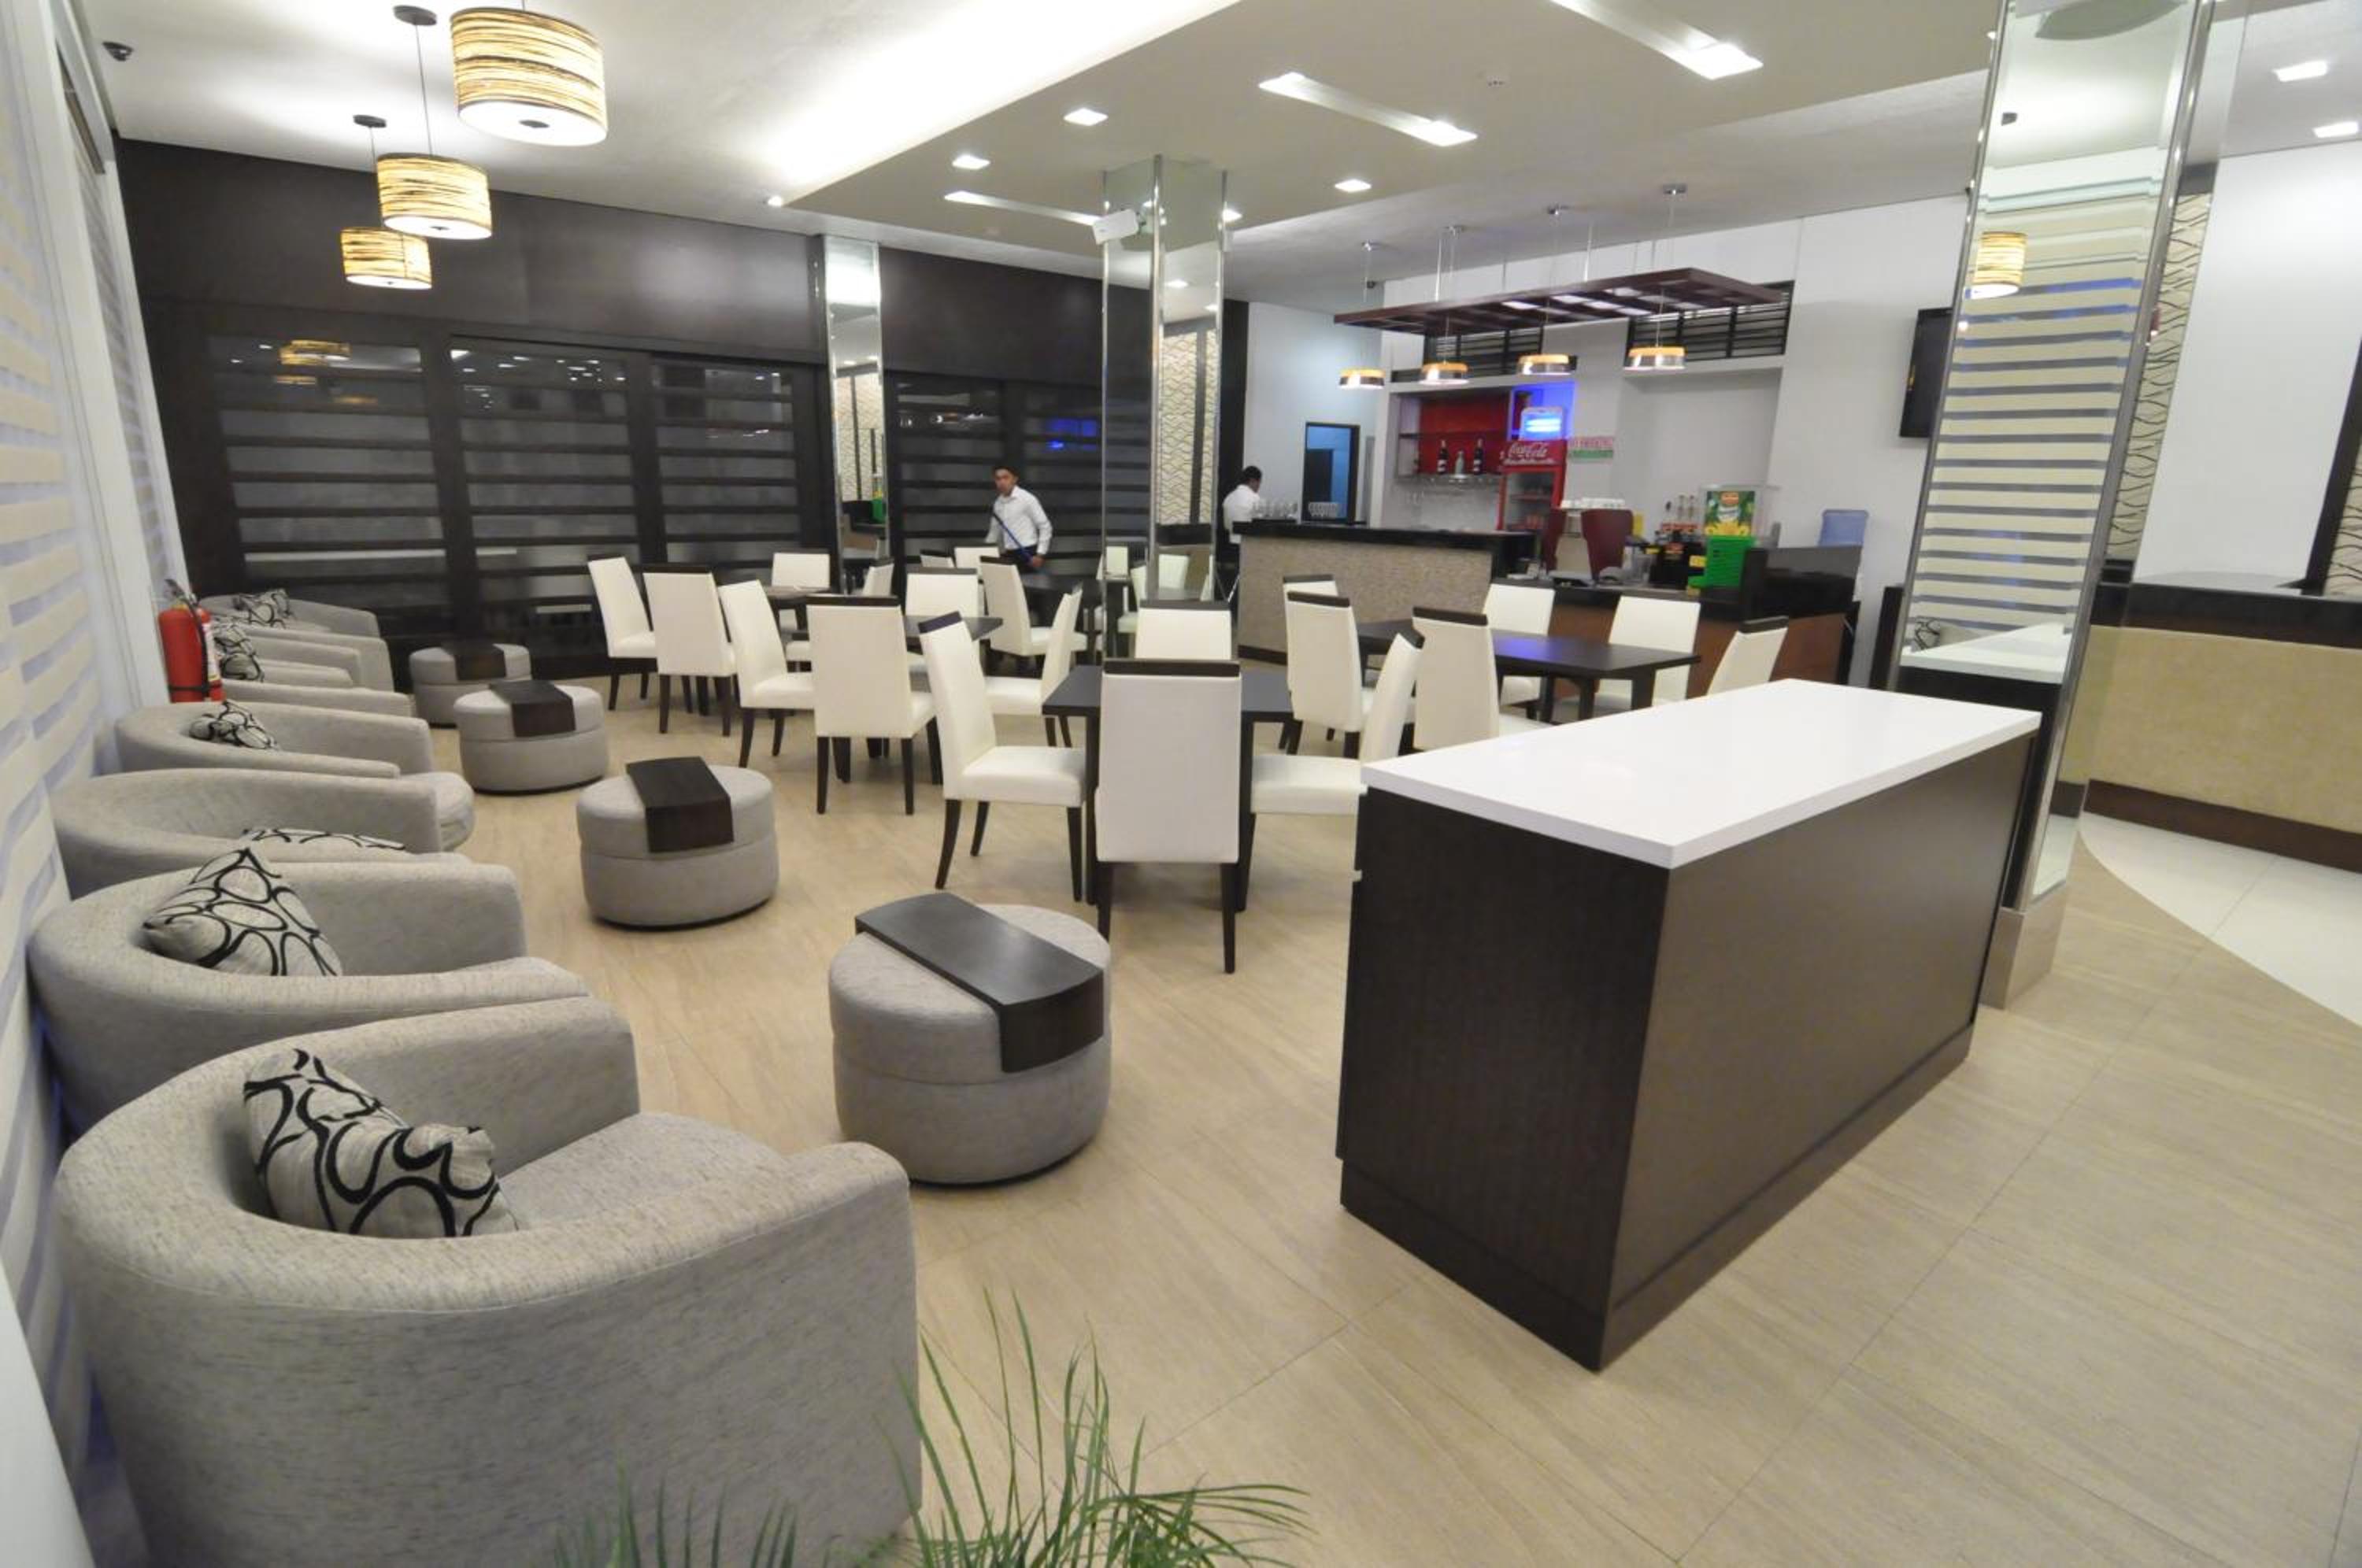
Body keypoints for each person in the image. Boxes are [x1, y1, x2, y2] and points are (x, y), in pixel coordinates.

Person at [985, 463, 1051, 568]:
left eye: (1005, 478)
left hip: (1028, 553)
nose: (1002, 482)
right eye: (998, 479)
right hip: (1008, 555)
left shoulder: (1027, 499)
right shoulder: (998, 504)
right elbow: (994, 533)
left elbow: (1045, 526)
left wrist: (1040, 554)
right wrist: (984, 552)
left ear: (1014, 479)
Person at [1216, 465, 1261, 594]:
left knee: (1230, 582)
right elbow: (1260, 524)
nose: (1259, 487)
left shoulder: (1229, 498)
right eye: (1259, 483)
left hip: (1228, 548)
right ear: (1253, 481)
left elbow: (1226, 525)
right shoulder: (1254, 498)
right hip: (1248, 548)